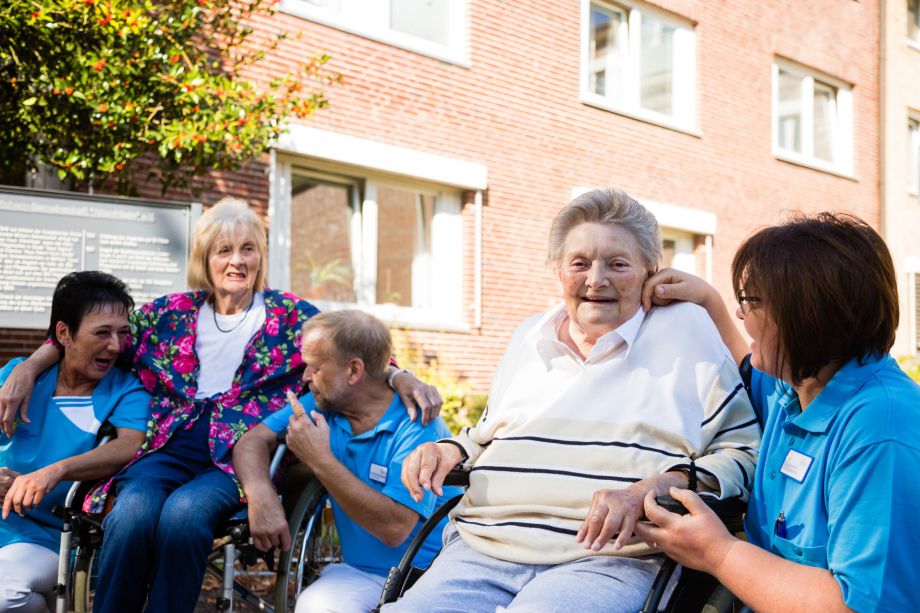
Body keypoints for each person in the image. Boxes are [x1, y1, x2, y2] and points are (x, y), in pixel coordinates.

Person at [0, 198, 440, 612]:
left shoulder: (289, 317)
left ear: (260, 256)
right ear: (205, 259)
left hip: (235, 454)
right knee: (132, 513)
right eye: (224, 250)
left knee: (184, 515)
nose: (237, 261)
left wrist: (402, 376)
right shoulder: (169, 313)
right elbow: (94, 328)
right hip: (166, 446)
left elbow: (356, 353)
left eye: (248, 249)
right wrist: (30, 366)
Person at [390, 188, 760, 612]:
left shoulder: (685, 330)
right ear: (558, 271)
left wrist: (651, 489)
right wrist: (447, 449)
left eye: (617, 264)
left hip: (611, 557)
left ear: (649, 274)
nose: (596, 279)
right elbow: (487, 436)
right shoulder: (529, 335)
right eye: (579, 263)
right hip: (482, 547)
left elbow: (745, 453)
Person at [635, 212, 920, 612]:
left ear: (807, 313)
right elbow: (746, 364)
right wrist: (707, 301)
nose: (740, 313)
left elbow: (861, 606)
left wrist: (718, 553)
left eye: (750, 300)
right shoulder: (799, 387)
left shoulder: (881, 429)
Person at [235, 310, 461, 613]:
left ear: (353, 371)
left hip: (428, 576)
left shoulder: (418, 424)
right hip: (362, 573)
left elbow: (394, 528)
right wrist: (260, 494)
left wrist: (319, 459)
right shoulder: (323, 405)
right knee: (315, 606)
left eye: (314, 367)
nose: (304, 377)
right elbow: (252, 440)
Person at [0, 272, 149, 612]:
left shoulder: (126, 389)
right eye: (102, 333)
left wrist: (54, 472)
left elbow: (128, 446)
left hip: (50, 537)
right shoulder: (20, 377)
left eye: (121, 333)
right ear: (64, 334)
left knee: (6, 595)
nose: (114, 346)